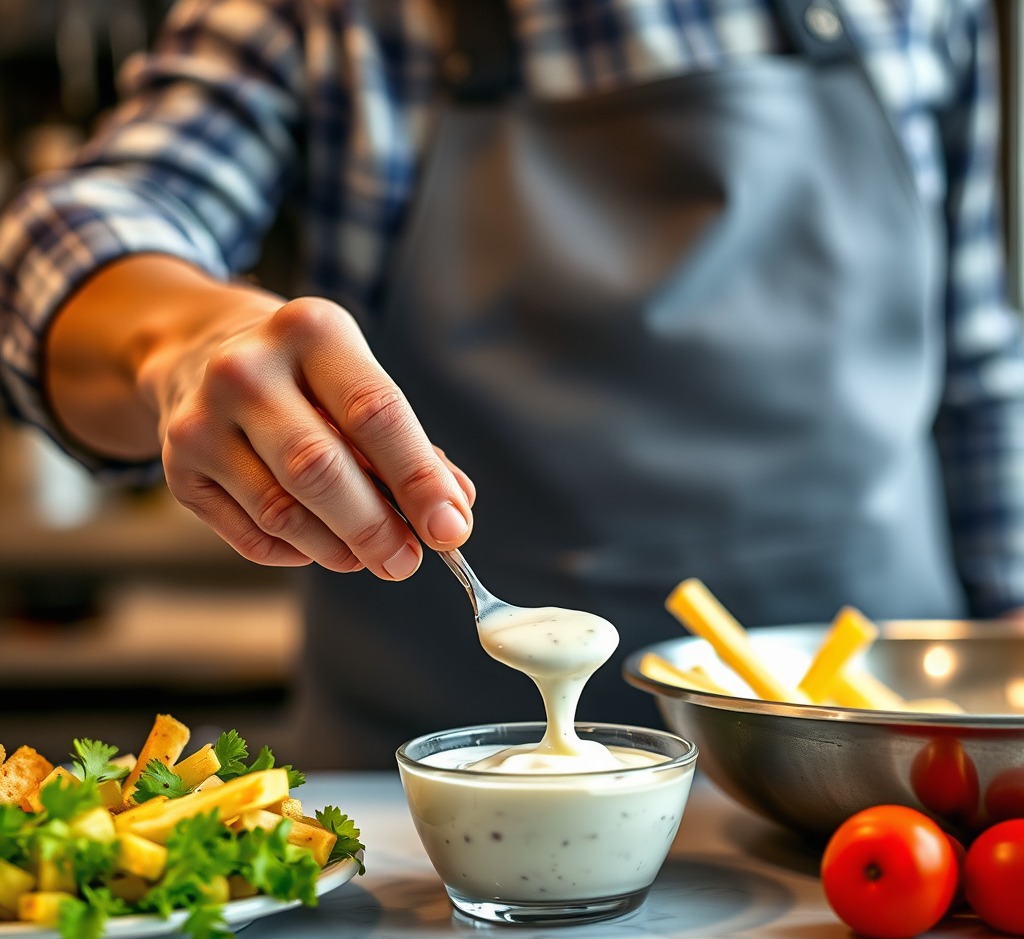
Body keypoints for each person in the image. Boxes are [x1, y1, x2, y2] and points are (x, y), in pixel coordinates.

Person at [0, 0, 1021, 767]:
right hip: (423, 814)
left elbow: (977, 360)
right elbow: (73, 229)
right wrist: (182, 341)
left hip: (876, 785)